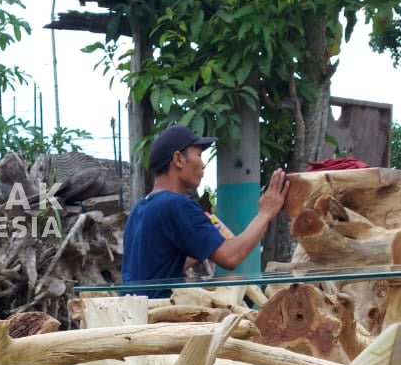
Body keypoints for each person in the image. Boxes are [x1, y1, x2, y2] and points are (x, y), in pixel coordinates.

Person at [121, 124, 290, 289]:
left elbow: (155, 268)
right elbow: (230, 257)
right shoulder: (177, 205)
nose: (203, 164)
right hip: (159, 314)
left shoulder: (140, 208)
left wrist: (203, 245)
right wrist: (266, 213)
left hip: (135, 312)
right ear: (178, 159)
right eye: (199, 155)